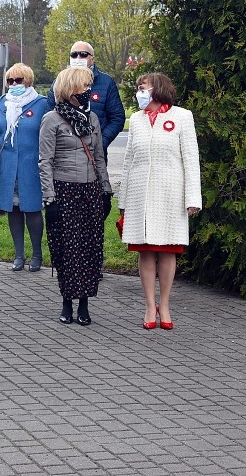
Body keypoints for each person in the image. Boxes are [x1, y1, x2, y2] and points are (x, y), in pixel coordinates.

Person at [118, 73, 201, 330]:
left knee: (167, 250)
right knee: (145, 250)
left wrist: (193, 197)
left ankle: (164, 305)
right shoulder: (138, 120)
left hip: (170, 195)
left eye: (143, 87)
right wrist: (123, 199)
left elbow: (190, 159)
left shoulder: (181, 116)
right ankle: (148, 305)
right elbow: (129, 160)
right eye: (138, 88)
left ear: (158, 88)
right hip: (140, 195)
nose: (139, 91)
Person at [39, 66, 111, 325]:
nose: (88, 92)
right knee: (68, 249)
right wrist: (50, 198)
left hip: (90, 190)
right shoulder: (52, 119)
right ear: (70, 91)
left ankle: (85, 304)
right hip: (64, 190)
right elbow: (45, 161)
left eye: (89, 87)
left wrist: (106, 191)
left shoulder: (92, 119)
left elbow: (99, 157)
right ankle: (67, 301)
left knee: (90, 248)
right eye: (84, 87)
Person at [0, 63, 48, 272]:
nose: (13, 84)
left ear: (28, 81)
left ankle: (37, 255)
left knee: (32, 209)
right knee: (12, 209)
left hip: (31, 166)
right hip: (7, 167)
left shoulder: (41, 103)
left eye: (18, 80)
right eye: (10, 81)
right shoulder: (2, 104)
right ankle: (18, 255)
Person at [47, 41, 125, 154]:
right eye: (74, 55)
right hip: (64, 153)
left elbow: (117, 118)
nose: (78, 57)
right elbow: (49, 115)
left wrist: (101, 142)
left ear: (92, 59)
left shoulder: (106, 82)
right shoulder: (58, 82)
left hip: (94, 153)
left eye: (83, 54)